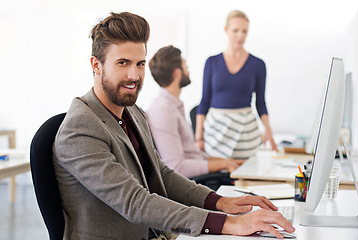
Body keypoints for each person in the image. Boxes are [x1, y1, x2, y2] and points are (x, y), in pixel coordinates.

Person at [52, 12, 295, 240]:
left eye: (140, 64)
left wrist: (219, 202)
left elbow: (162, 174)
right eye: (123, 63)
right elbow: (135, 202)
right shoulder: (80, 129)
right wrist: (229, 223)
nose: (134, 76)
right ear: (96, 65)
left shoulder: (133, 113)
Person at [146, 45, 244, 179]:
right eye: (185, 66)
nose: (188, 69)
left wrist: (229, 162)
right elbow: (176, 167)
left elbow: (193, 154)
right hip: (193, 184)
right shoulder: (163, 111)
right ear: (177, 73)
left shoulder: (172, 105)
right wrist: (223, 164)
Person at [195, 10, 278, 159]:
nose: (240, 35)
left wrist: (269, 131)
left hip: (245, 132)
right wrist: (198, 138)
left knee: (244, 175)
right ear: (226, 30)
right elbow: (204, 100)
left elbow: (260, 103)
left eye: (244, 31)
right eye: (235, 30)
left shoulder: (258, 64)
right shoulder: (211, 62)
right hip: (216, 132)